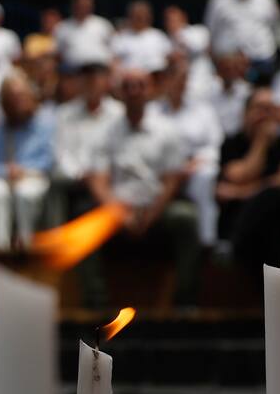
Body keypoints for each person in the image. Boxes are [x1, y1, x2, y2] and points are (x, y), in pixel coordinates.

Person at [85, 68, 199, 307]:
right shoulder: (105, 131)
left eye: (140, 85)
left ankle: (185, 302)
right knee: (86, 220)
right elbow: (98, 181)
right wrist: (120, 214)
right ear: (119, 93)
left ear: (151, 90)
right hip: (116, 211)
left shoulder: (167, 130)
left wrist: (150, 215)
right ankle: (95, 304)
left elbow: (171, 181)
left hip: (157, 209)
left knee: (187, 218)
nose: (134, 91)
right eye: (128, 86)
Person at [216, 87, 280, 269]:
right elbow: (238, 176)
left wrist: (240, 193)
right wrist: (261, 143)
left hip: (278, 229)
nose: (264, 116)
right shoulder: (232, 143)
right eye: (259, 108)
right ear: (245, 113)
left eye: (270, 110)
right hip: (237, 224)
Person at [155, 59, 224, 246]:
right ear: (165, 80)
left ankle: (207, 241)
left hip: (194, 169)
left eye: (184, 78)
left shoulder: (203, 111)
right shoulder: (152, 111)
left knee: (206, 175)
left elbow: (213, 145)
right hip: (162, 172)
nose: (180, 83)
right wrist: (172, 169)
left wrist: (194, 164)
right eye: (175, 78)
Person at [0, 75, 56, 249]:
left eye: (21, 96)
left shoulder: (45, 123)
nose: (18, 102)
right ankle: (0, 251)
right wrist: (7, 172)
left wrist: (25, 171)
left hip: (35, 176)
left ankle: (27, 249)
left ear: (31, 96)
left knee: (25, 193)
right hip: (6, 177)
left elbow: (50, 160)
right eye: (13, 97)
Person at [53, 57, 123, 220]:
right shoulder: (65, 113)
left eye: (96, 79)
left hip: (109, 180)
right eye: (86, 79)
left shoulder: (119, 113)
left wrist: (100, 176)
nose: (91, 84)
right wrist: (78, 174)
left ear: (106, 82)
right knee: (56, 180)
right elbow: (61, 153)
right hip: (75, 181)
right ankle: (56, 238)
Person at [204, 0, 280, 80]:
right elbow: (210, 33)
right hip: (228, 64)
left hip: (261, 61)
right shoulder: (218, 0)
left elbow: (276, 29)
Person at [163, 5, 214, 100]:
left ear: (184, 18)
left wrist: (178, 34)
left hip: (202, 80)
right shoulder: (165, 40)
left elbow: (198, 47)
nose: (170, 23)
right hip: (180, 86)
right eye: (167, 20)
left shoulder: (199, 31)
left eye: (173, 19)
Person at [110, 0, 173, 73]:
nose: (140, 19)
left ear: (149, 16)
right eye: (137, 16)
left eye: (143, 16)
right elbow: (114, 62)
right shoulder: (120, 37)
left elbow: (169, 59)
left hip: (156, 78)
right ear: (130, 16)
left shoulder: (159, 36)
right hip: (129, 78)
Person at [54, 0, 114, 64]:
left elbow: (113, 50)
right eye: (80, 5)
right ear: (74, 5)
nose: (82, 8)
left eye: (85, 5)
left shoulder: (103, 24)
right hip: (73, 72)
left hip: (100, 70)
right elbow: (58, 53)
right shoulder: (62, 27)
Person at [205, 51, 252, 138]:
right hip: (215, 136)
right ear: (219, 72)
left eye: (232, 69)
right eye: (226, 69)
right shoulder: (209, 90)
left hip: (237, 137)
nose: (229, 73)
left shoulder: (246, 91)